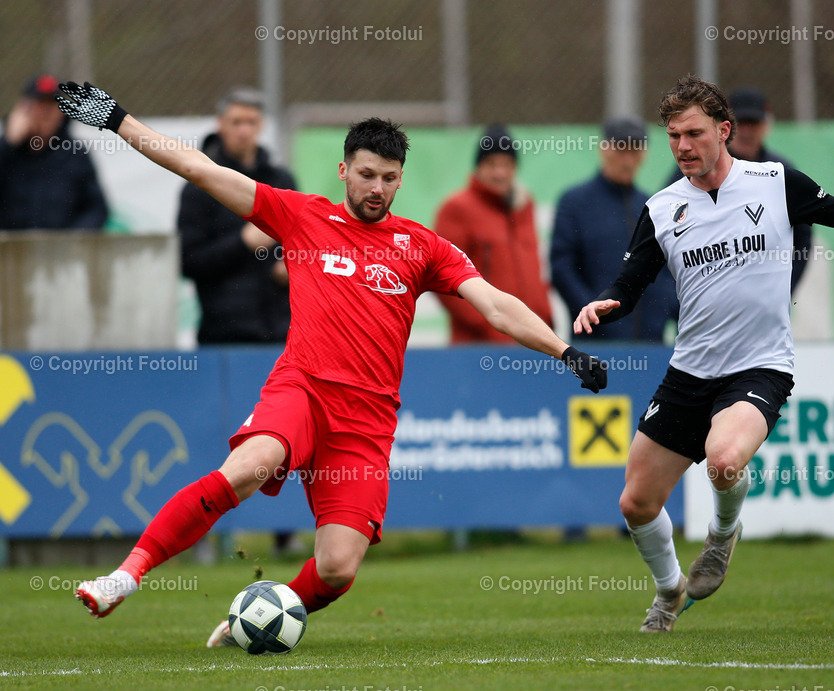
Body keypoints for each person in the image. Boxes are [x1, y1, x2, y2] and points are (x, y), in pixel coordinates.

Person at [56, 82, 608, 644]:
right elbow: (200, 170)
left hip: (366, 420)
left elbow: (494, 303)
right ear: (344, 171)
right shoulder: (300, 217)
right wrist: (117, 119)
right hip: (303, 389)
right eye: (367, 175)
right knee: (251, 466)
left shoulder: (422, 247)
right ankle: (126, 576)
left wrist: (565, 351)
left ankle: (262, 613)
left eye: (390, 178)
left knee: (339, 567)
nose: (378, 188)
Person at [573, 75, 834, 633]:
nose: (682, 146)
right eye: (674, 135)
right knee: (635, 503)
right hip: (689, 371)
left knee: (724, 459)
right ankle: (669, 590)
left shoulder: (775, 182)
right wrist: (605, 305)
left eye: (694, 133)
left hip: (760, 365)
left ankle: (722, 537)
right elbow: (631, 283)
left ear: (724, 131)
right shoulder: (661, 208)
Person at [665, 87, 812, 292]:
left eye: (754, 123)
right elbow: (666, 231)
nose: (746, 131)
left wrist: (784, 288)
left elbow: (802, 237)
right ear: (724, 127)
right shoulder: (696, 166)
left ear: (766, 125)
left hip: (763, 299)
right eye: (741, 123)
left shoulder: (779, 172)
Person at [178, 88, 296, 345]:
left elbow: (303, 240)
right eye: (236, 122)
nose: (244, 130)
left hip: (283, 330)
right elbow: (188, 262)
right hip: (224, 335)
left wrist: (291, 266)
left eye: (251, 122)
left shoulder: (282, 181)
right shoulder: (200, 186)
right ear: (220, 124)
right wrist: (243, 243)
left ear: (261, 125)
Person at [550, 116, 678, 341]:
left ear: (644, 155)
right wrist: (593, 313)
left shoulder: (652, 206)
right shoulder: (575, 202)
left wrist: (662, 313)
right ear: (604, 149)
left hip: (651, 342)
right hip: (595, 343)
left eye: (635, 150)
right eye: (621, 150)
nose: (627, 159)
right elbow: (562, 269)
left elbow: (667, 270)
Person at [434, 124, 553, 343]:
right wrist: (490, 323)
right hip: (480, 344)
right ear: (478, 167)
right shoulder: (457, 208)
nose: (500, 172)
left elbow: (533, 269)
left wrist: (544, 316)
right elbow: (442, 277)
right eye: (491, 164)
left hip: (531, 338)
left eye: (506, 164)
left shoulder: (524, 206)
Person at [0, 74, 107, 230]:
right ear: (24, 109)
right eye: (40, 104)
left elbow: (96, 209)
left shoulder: (75, 155)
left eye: (52, 105)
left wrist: (70, 242)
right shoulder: (7, 152)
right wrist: (8, 144)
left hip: (60, 251)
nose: (46, 113)